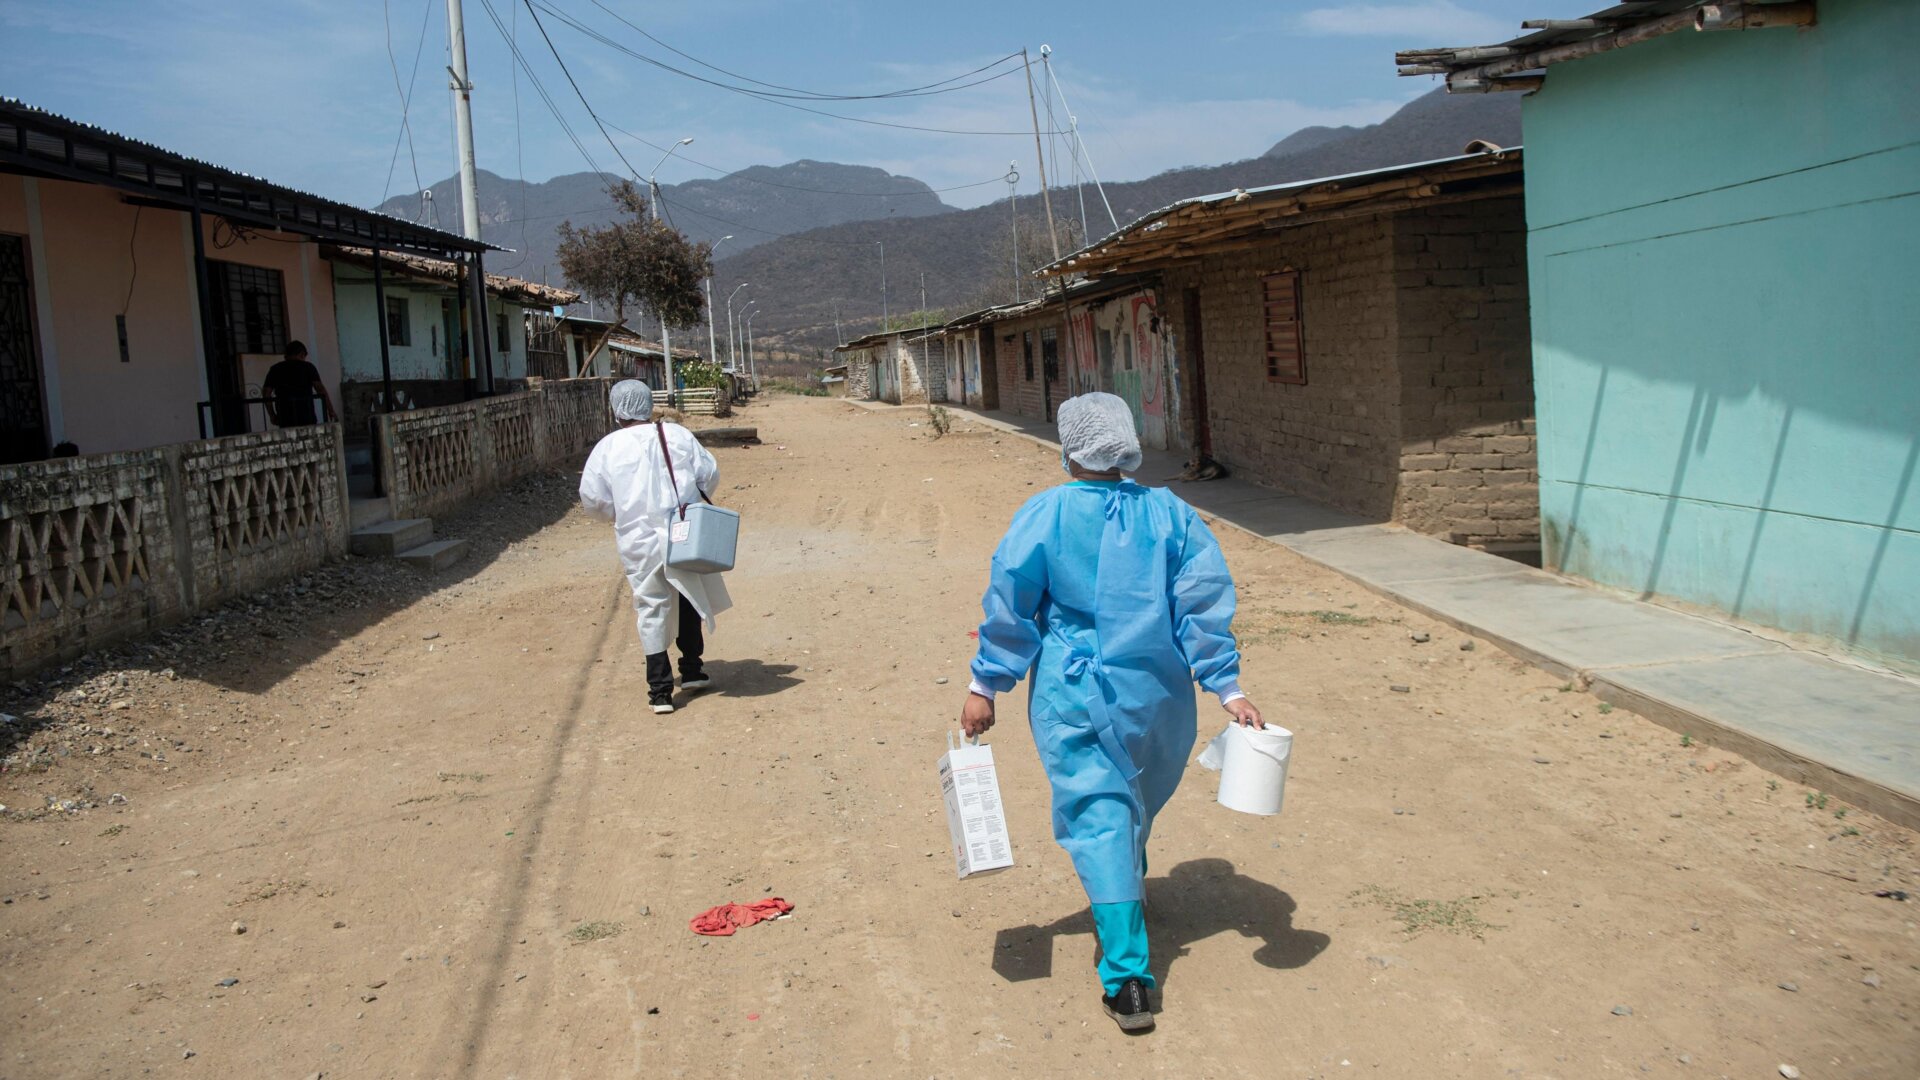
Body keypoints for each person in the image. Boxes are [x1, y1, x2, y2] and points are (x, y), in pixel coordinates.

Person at [961, 392, 1263, 1034]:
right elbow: (1202, 603)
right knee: (1133, 803)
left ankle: (1128, 977)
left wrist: (987, 684)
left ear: (1070, 448)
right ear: (1126, 443)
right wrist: (1227, 688)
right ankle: (1126, 888)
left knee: (1099, 815)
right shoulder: (1171, 514)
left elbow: (1011, 603)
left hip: (1077, 697)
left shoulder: (1045, 514)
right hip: (1159, 698)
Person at [579, 380, 732, 714]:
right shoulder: (677, 435)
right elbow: (709, 474)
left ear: (616, 409)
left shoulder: (607, 447)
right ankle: (692, 669)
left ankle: (660, 691)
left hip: (638, 539)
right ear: (649, 405)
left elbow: (593, 499)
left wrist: (617, 513)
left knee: (651, 605)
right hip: (683, 529)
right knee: (689, 593)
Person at [262, 341, 336, 427]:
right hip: (306, 415)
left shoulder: (275, 369)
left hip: (284, 416)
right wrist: (331, 411)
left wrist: (272, 415)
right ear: (302, 354)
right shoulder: (308, 367)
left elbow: (266, 393)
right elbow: (320, 389)